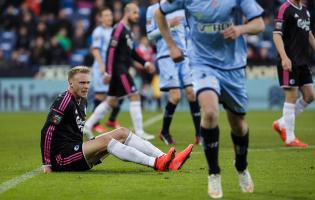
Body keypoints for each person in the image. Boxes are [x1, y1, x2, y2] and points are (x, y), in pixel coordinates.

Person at [155, 0, 265, 198]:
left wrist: (241, 28)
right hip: (201, 63)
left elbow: (259, 24)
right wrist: (171, 46)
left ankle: (241, 165)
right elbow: (159, 14)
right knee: (211, 112)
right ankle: (213, 172)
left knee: (238, 125)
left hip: (233, 67)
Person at [40, 66, 193, 173]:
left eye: (88, 82)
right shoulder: (64, 101)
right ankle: (156, 163)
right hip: (61, 158)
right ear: (70, 83)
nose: (86, 86)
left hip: (77, 150)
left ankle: (167, 160)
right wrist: (47, 163)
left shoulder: (82, 99)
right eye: (82, 83)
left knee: (122, 132)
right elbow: (47, 131)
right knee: (108, 142)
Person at [84, 3, 155, 140]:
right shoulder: (119, 28)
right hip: (119, 70)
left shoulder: (128, 31)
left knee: (111, 102)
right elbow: (111, 51)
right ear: (127, 13)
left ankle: (88, 125)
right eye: (134, 13)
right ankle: (140, 132)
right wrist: (109, 72)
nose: (137, 15)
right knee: (134, 96)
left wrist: (145, 62)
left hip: (121, 69)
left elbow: (132, 52)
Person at [146, 1, 201, 145]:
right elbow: (150, 36)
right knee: (175, 96)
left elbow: (189, 31)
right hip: (166, 56)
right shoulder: (153, 9)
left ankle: (199, 134)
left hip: (184, 56)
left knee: (191, 92)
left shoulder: (182, 7)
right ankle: (164, 132)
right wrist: (168, 24)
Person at [272, 0, 315, 147]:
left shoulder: (305, 10)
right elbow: (276, 35)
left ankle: (281, 122)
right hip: (289, 61)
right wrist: (284, 57)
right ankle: (290, 138)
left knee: (310, 96)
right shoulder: (284, 9)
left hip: (303, 62)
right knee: (291, 96)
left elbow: (308, 34)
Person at [88, 8, 123, 139]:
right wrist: (102, 65)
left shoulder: (114, 30)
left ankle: (112, 119)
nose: (109, 17)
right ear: (100, 18)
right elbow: (95, 50)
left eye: (110, 15)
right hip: (101, 68)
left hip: (112, 68)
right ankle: (95, 123)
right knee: (100, 95)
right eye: (106, 15)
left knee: (118, 94)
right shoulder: (98, 31)